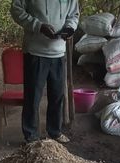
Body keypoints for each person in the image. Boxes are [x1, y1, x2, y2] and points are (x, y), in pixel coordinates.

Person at [11, 0, 79, 143]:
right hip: (35, 52)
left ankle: (54, 132)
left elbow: (73, 15)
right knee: (33, 97)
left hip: (59, 53)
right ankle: (31, 137)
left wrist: (69, 28)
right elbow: (16, 10)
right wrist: (39, 26)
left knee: (57, 96)